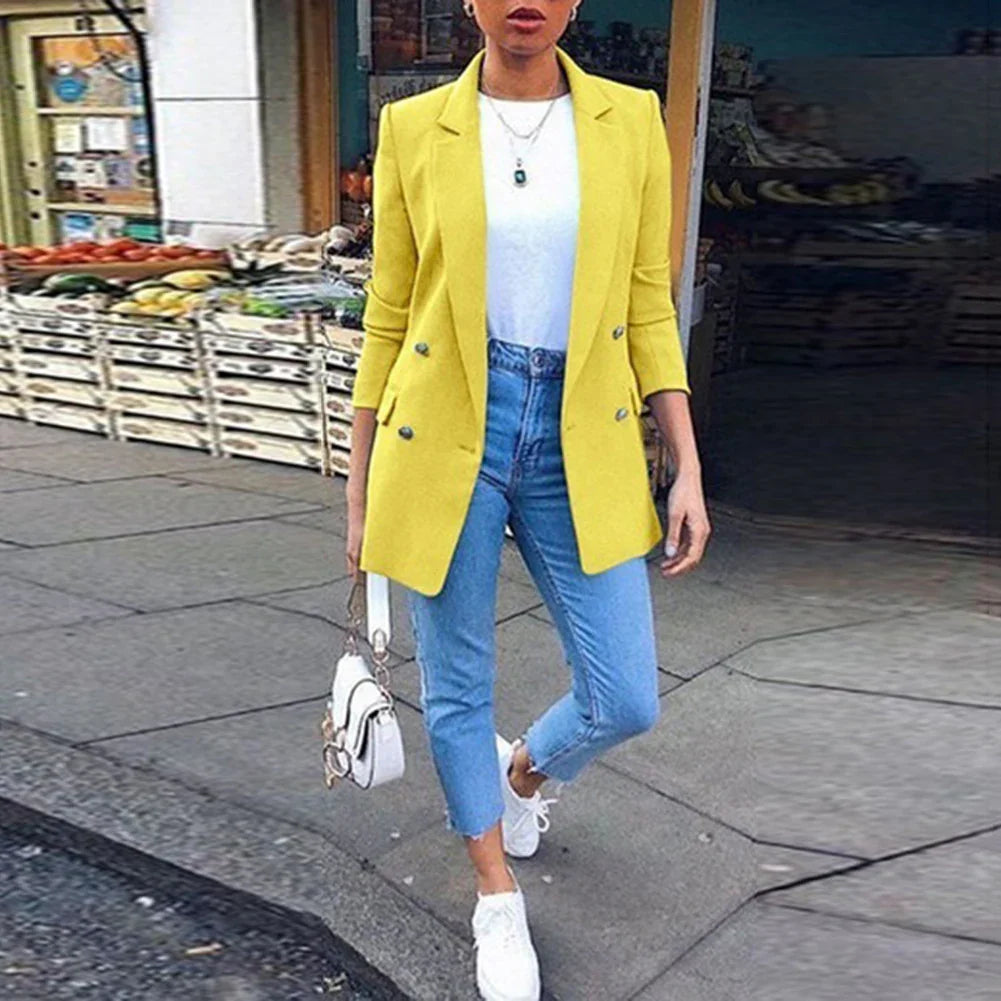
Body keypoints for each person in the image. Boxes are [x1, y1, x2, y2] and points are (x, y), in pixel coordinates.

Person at [345, 4, 710, 999]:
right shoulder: (417, 129)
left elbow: (645, 298)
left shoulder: (629, 119)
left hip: (576, 428)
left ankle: (523, 776)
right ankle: (494, 898)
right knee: (455, 683)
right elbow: (388, 308)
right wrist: (359, 482)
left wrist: (683, 460)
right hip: (444, 423)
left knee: (624, 692)